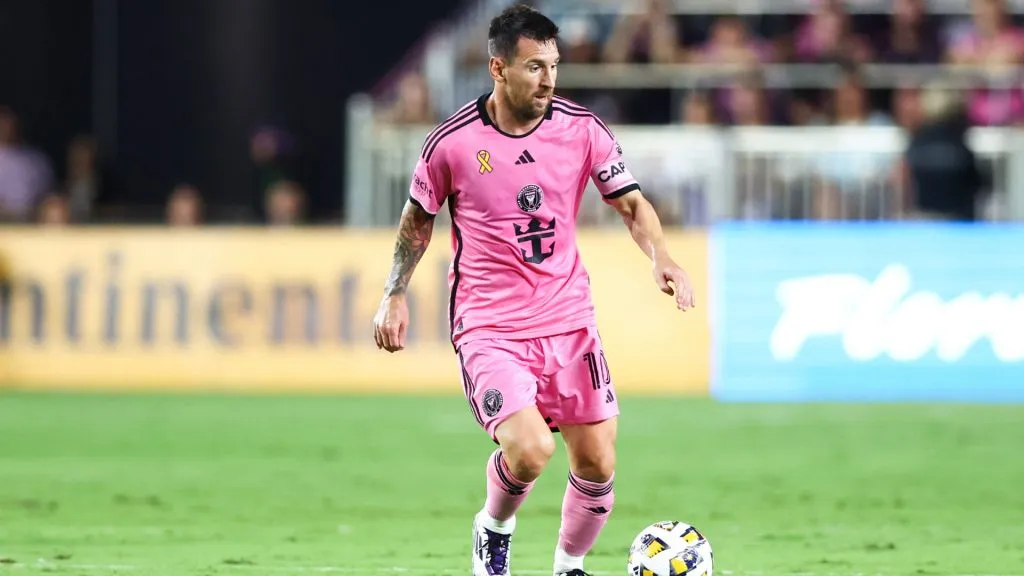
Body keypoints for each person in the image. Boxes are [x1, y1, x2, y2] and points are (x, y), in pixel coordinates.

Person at [372, 5, 696, 576]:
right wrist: (394, 291)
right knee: (531, 449)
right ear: (497, 69)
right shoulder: (451, 144)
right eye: (533, 67)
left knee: (597, 461)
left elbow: (631, 204)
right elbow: (417, 220)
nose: (548, 79)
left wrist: (661, 255)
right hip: (490, 328)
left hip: (569, 320)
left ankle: (568, 567)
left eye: (553, 65)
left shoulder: (581, 129)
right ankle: (493, 529)